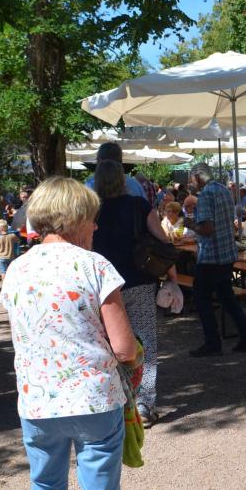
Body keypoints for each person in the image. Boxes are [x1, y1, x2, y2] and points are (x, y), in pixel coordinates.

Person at [0, 177, 138, 490]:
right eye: (91, 218)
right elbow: (125, 349)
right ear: (74, 218)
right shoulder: (94, 266)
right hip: (94, 399)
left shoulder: (17, 269)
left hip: (38, 402)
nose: (95, 226)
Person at [93, 160, 164, 426]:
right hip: (139, 280)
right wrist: (170, 276)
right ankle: (144, 404)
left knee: (109, 343)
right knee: (145, 341)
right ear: (123, 180)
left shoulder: (92, 211)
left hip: (104, 286)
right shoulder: (139, 206)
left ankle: (118, 401)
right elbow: (162, 239)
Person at [183, 162, 246, 356]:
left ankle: (212, 343)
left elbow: (208, 229)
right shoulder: (224, 190)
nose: (191, 183)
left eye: (192, 179)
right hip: (226, 253)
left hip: (211, 256)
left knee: (202, 298)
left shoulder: (206, 195)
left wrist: (192, 225)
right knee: (227, 298)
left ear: (198, 177)